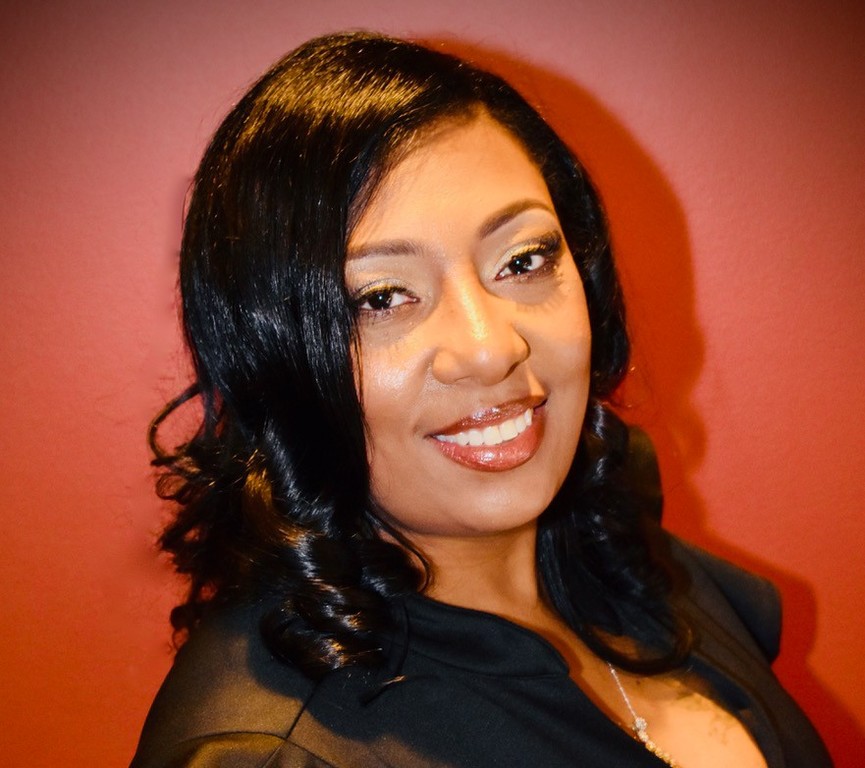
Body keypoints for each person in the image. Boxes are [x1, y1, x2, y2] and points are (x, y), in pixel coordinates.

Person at [131, 32, 831, 768]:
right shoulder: (272, 752)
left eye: (522, 260)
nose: (490, 348)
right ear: (273, 357)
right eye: (382, 298)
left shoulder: (611, 542)